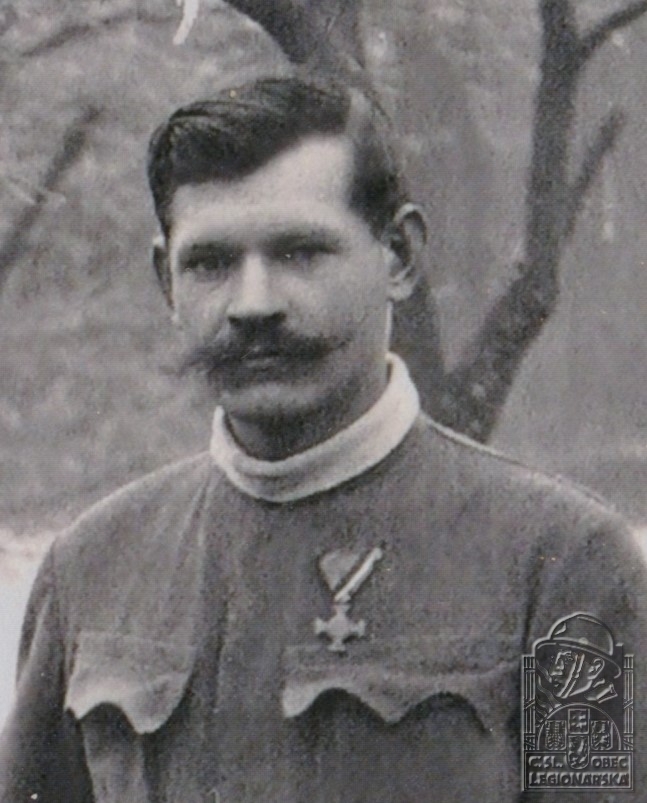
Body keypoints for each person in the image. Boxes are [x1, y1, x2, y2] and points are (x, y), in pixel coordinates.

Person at [1, 74, 646, 802]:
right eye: (210, 262)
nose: (253, 304)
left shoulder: (561, 564)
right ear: (166, 282)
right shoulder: (91, 568)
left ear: (399, 255)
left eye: (300, 252)